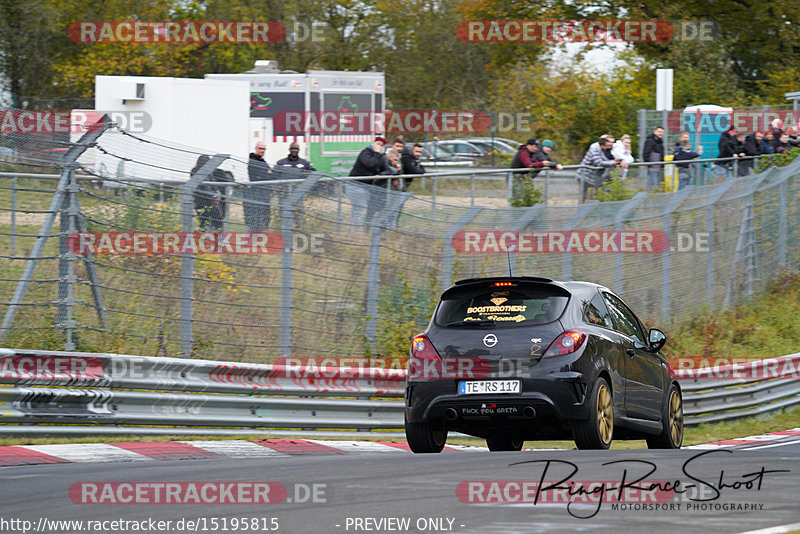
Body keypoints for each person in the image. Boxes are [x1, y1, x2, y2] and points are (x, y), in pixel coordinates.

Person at [348, 136, 396, 224]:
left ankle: (355, 229)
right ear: (373, 144)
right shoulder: (365, 152)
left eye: (381, 145)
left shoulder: (380, 157)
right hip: (355, 184)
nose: (379, 146)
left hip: (366, 187)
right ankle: (354, 231)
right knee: (359, 209)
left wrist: (379, 175)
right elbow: (370, 164)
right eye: (378, 144)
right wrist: (377, 153)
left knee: (360, 209)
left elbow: (388, 170)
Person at [192, 154, 234, 231]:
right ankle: (217, 240)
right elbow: (208, 187)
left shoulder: (198, 172)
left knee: (204, 224)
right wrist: (214, 194)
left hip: (200, 203)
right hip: (209, 201)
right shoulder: (205, 173)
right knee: (217, 224)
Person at [576, 137, 621, 201]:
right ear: (602, 145)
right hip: (584, 175)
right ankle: (581, 209)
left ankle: (593, 209)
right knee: (583, 195)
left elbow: (604, 159)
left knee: (596, 194)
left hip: (592, 177)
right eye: (606, 146)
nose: (607, 148)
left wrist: (613, 161)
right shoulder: (595, 149)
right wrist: (612, 163)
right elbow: (598, 162)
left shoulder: (600, 149)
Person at [242, 142, 272, 232]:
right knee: (255, 220)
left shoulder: (262, 161)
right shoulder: (252, 161)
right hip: (255, 195)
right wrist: (267, 174)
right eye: (260, 148)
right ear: (256, 148)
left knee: (263, 218)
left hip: (263, 194)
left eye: (264, 149)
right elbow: (257, 177)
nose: (262, 151)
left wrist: (266, 174)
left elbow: (271, 174)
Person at [642, 126, 665, 190]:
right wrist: (649, 166)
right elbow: (645, 154)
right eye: (659, 131)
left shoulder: (660, 142)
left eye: (662, 132)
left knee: (658, 186)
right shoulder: (650, 141)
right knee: (653, 186)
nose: (661, 133)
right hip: (653, 168)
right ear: (655, 132)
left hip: (659, 169)